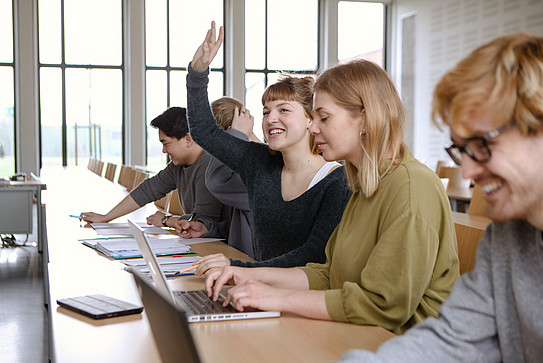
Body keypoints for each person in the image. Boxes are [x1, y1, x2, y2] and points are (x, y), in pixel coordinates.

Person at [198, 22, 459, 334]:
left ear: (364, 118)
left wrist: (275, 295)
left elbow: (382, 305)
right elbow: (327, 274)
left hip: (401, 344)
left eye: (323, 118)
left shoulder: (410, 186)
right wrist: (248, 276)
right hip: (360, 332)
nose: (313, 128)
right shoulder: (364, 185)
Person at [339, 33, 543, 362]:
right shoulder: (505, 239)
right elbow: (455, 339)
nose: (468, 173)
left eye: (482, 145)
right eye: (462, 151)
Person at [186, 21, 352, 269]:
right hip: (259, 290)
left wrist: (239, 270)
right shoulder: (258, 161)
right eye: (266, 111)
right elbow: (205, 131)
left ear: (311, 118)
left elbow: (313, 255)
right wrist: (197, 73)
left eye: (284, 109)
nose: (270, 118)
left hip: (302, 299)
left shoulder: (338, 183)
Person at [80, 106, 230, 239]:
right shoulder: (178, 165)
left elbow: (201, 224)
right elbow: (148, 190)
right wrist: (107, 217)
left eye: (166, 143)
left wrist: (166, 220)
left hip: (221, 250)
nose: (164, 151)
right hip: (201, 244)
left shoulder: (210, 165)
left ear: (188, 139)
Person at [205, 96, 260, 257]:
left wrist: (235, 136)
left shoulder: (256, 166)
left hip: (253, 269)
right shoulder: (240, 164)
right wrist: (208, 229)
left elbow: (214, 182)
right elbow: (239, 224)